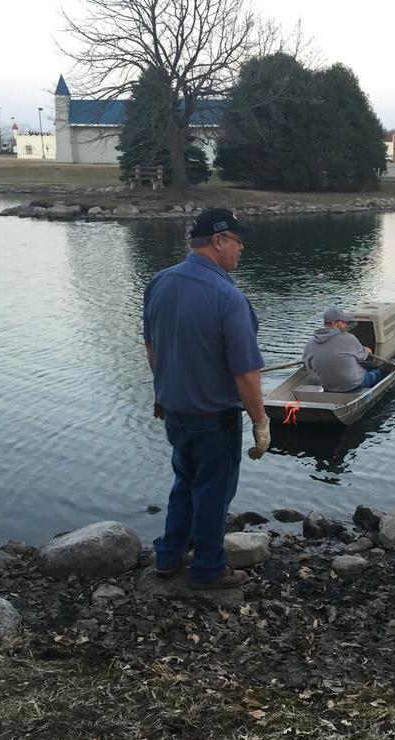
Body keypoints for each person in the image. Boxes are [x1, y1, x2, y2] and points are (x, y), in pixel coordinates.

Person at [143, 208, 270, 590]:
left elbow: (152, 345)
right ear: (217, 241)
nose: (241, 247)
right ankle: (209, 570)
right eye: (236, 240)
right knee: (214, 492)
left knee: (185, 482)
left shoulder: (159, 282)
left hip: (174, 411)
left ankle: (168, 558)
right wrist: (261, 422)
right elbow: (245, 373)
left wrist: (163, 390)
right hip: (215, 418)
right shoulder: (228, 297)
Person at [302, 307, 386, 392]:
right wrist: (368, 350)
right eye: (343, 322)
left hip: (328, 386)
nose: (345, 325)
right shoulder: (348, 338)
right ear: (334, 324)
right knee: (379, 372)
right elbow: (362, 357)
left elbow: (308, 366)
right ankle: (382, 371)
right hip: (353, 385)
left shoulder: (310, 342)